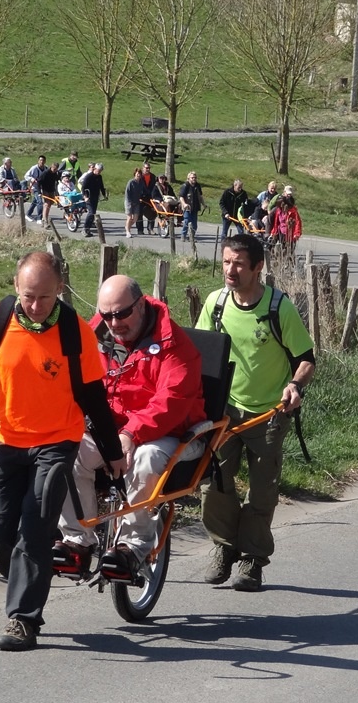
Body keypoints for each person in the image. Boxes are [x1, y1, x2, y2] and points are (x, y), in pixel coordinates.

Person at [0, 252, 123, 651]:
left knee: (35, 528)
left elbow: (93, 396)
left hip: (57, 442)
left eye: (44, 297)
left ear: (60, 289)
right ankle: (32, 577)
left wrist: (112, 449)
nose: (35, 306)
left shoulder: (74, 331)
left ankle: (23, 620)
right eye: (28, 296)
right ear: (16, 286)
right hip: (7, 441)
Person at [54, 275, 207, 578]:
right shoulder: (93, 337)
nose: (114, 322)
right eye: (107, 314)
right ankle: (78, 542)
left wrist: (130, 433)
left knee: (145, 458)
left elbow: (171, 402)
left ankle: (132, 547)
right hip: (114, 429)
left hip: (173, 433)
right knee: (66, 454)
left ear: (140, 305)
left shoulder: (174, 345)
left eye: (122, 313)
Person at [196, 234, 315, 591]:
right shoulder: (215, 304)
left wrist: (294, 386)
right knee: (212, 485)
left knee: (262, 493)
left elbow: (306, 359)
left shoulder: (279, 308)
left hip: (268, 416)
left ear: (258, 267)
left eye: (238, 264)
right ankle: (224, 547)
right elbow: (202, 354)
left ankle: (252, 560)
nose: (230, 270)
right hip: (224, 413)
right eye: (226, 262)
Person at [80, 162, 107, 238]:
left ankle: (88, 229)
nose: (99, 172)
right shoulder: (89, 176)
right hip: (88, 197)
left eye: (100, 170)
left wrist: (104, 195)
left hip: (95, 197)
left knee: (93, 213)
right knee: (91, 213)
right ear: (94, 169)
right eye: (98, 170)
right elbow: (83, 187)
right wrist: (85, 196)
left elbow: (101, 186)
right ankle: (84, 229)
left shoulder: (99, 177)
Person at [136, 163, 159, 235]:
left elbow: (155, 188)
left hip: (150, 198)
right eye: (146, 168)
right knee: (139, 214)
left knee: (153, 213)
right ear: (143, 168)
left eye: (149, 168)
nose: (148, 169)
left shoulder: (153, 177)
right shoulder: (140, 177)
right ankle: (140, 230)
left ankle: (150, 229)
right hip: (140, 198)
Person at [179, 170, 203, 242]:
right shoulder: (185, 186)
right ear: (188, 178)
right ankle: (183, 236)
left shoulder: (197, 186)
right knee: (186, 221)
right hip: (187, 208)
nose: (194, 179)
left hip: (195, 207)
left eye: (195, 177)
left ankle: (191, 237)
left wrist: (204, 204)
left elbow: (200, 196)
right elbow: (181, 197)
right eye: (192, 177)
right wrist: (184, 204)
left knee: (194, 224)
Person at [23, 155, 47, 222]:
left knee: (35, 202)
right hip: (34, 187)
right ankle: (39, 218)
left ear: (45, 161)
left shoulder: (46, 168)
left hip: (42, 187)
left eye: (43, 160)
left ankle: (28, 214)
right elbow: (26, 176)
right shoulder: (34, 168)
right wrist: (32, 179)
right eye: (40, 160)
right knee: (40, 202)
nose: (41, 162)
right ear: (38, 161)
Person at [123, 168, 146, 239]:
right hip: (129, 202)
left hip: (137, 202)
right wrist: (130, 202)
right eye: (137, 174)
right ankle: (128, 232)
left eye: (139, 174)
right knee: (129, 217)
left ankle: (127, 227)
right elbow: (127, 193)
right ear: (135, 174)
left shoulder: (141, 183)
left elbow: (144, 191)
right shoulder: (131, 182)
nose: (138, 175)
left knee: (135, 218)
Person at [37, 161, 60, 227]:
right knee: (46, 204)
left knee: (50, 204)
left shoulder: (55, 173)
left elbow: (57, 179)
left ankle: (43, 218)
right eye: (54, 169)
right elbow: (39, 182)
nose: (54, 171)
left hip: (51, 190)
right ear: (51, 167)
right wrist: (39, 192)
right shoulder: (45, 173)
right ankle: (45, 221)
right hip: (45, 190)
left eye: (56, 169)